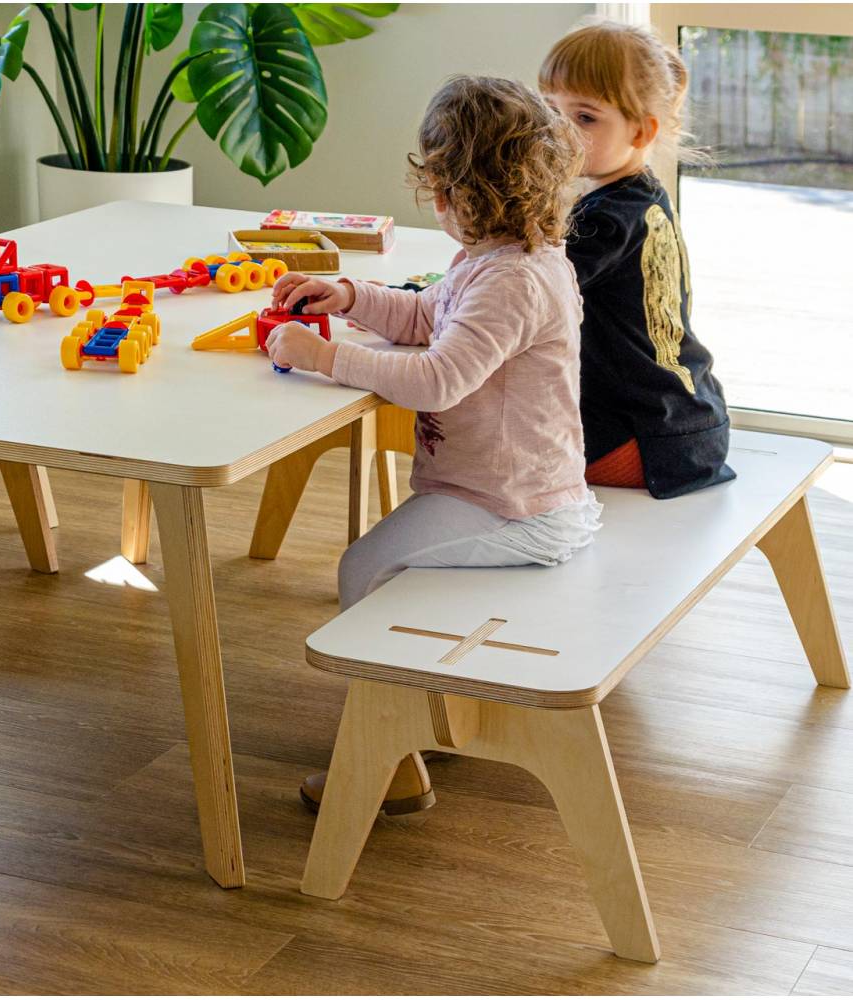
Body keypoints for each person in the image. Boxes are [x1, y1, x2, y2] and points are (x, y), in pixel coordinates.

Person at [265, 76, 600, 814]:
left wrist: (327, 357)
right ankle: (416, 718)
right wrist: (352, 299)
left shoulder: (514, 280)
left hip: (515, 508)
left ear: (458, 193)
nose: (437, 202)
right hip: (501, 492)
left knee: (365, 571)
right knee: (376, 569)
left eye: (441, 187)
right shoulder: (497, 262)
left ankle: (392, 756)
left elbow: (441, 377)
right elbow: (433, 320)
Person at [541, 19, 734, 495]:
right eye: (549, 109)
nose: (559, 130)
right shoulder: (639, 199)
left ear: (642, 130)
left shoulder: (605, 222)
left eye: (584, 118)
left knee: (488, 442)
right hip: (686, 422)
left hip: (638, 438)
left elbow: (521, 292)